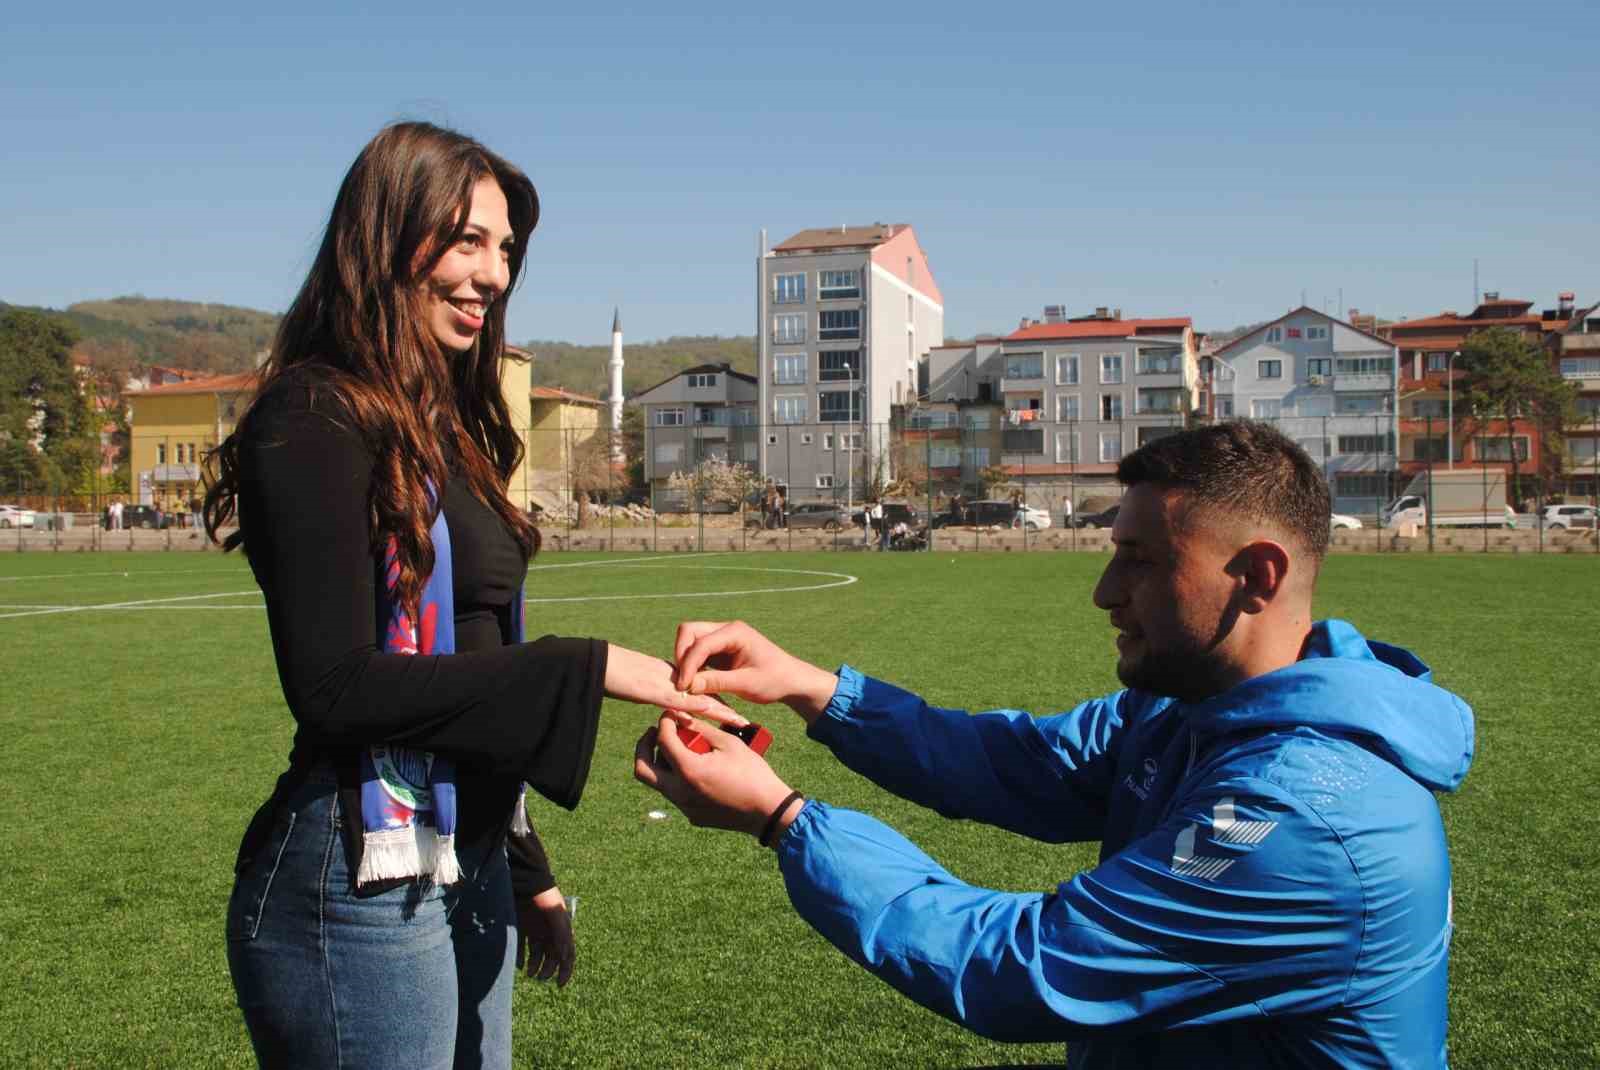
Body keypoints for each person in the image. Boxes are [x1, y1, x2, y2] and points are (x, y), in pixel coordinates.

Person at [636, 421, 1475, 1067]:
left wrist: (785, 821)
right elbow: (1014, 764)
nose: (1106, 592)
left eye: (1140, 561)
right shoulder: (1186, 710)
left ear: (1256, 577)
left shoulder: (1296, 824)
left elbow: (1025, 966)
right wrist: (812, 687)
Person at [203, 121, 733, 1070]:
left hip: (469, 858)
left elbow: (475, 648)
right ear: (386, 237)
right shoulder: (315, 413)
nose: (493, 273)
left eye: (506, 251)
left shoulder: (444, 424)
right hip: (360, 873)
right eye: (466, 241)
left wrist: (524, 870)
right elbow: (333, 686)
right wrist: (584, 668)